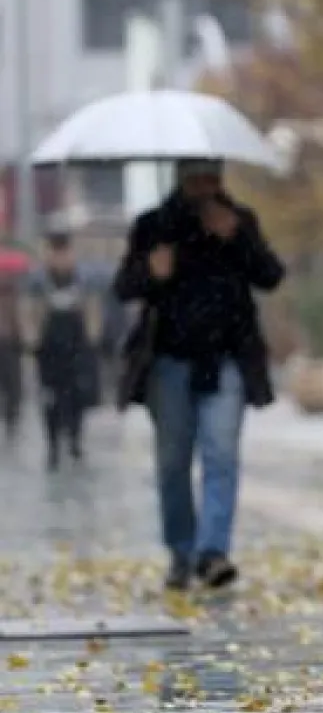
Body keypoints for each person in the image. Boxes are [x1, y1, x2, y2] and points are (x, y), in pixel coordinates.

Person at [114, 159, 285, 591]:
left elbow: (270, 276)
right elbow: (123, 287)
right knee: (173, 462)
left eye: (212, 175)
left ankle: (212, 553)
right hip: (169, 361)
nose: (205, 185)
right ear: (181, 177)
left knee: (221, 454)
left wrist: (238, 239)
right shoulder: (153, 225)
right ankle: (180, 551)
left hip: (225, 360)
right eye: (197, 176)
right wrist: (151, 273)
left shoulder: (238, 220)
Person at [23, 232, 102, 469]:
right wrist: (31, 341)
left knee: (78, 395)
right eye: (55, 252)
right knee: (50, 398)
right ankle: (53, 445)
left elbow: (93, 310)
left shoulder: (83, 279)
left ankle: (75, 439)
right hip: (49, 349)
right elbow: (28, 312)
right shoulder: (38, 281)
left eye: (64, 252)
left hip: (77, 347)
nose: (59, 258)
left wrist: (92, 339)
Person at [0, 278, 21, 443]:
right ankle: (10, 418)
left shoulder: (15, 295)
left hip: (10, 344)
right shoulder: (14, 296)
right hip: (7, 343)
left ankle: (11, 419)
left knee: (12, 386)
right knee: (11, 386)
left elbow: (19, 321)